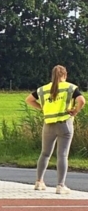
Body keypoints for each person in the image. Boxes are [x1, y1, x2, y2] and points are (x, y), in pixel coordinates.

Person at [26, 65, 85, 194]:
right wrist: (75, 111)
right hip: (64, 124)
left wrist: (42, 108)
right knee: (62, 155)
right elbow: (82, 100)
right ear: (65, 75)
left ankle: (39, 181)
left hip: (48, 124)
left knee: (45, 153)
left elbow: (29, 100)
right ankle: (60, 185)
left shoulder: (44, 89)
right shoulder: (69, 87)